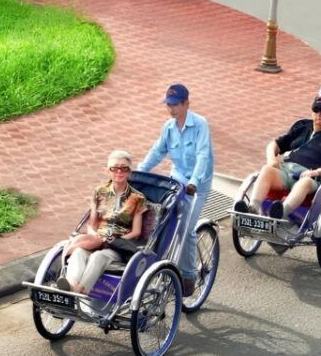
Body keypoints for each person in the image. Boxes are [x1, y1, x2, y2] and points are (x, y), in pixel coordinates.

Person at [138, 83, 214, 296]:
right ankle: (164, 265)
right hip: (178, 179)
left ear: (186, 104)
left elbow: (202, 156)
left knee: (187, 229)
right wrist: (139, 174)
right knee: (163, 223)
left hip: (197, 184)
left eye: (174, 105)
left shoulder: (200, 125)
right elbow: (157, 151)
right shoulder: (169, 127)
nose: (170, 109)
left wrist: (194, 183)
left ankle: (188, 276)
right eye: (168, 105)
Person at [237, 96, 321, 220]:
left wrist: (316, 172)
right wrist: (272, 160)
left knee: (305, 182)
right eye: (316, 110)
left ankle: (281, 213)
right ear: (312, 112)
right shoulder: (302, 128)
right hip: (286, 171)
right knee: (266, 170)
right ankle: (252, 208)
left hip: (310, 175)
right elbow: (273, 144)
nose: (319, 114)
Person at [58, 150, 147, 294]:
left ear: (129, 172)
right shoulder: (99, 192)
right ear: (108, 171)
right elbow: (91, 224)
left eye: (124, 168)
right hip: (97, 240)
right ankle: (70, 285)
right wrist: (95, 236)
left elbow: (136, 232)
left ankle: (79, 291)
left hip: (117, 246)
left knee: (98, 257)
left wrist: (113, 240)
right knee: (79, 252)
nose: (119, 171)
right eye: (114, 168)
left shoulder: (138, 197)